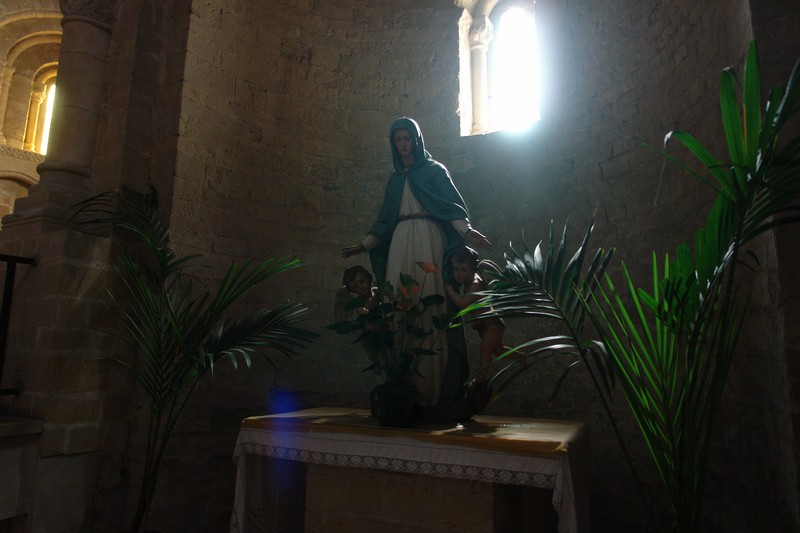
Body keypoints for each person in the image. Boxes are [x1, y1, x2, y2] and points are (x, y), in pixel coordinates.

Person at [341, 117, 491, 419]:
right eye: (398, 140)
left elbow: (450, 208)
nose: (403, 144)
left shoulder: (435, 171)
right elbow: (384, 222)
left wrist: (467, 232)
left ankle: (435, 392)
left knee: (431, 306)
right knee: (399, 307)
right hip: (400, 243)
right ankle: (404, 387)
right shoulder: (394, 180)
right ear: (393, 144)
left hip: (429, 239)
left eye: (407, 138)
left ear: (417, 140)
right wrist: (363, 245)